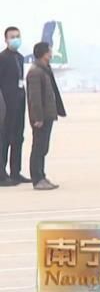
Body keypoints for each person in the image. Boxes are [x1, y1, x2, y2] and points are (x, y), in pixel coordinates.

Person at [26, 42, 66, 191]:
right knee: (38, 147)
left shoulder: (45, 70)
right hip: (40, 118)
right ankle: (37, 179)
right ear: (44, 53)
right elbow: (34, 98)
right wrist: (38, 118)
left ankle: (41, 175)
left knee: (43, 147)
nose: (51, 53)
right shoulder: (36, 72)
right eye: (49, 51)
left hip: (47, 115)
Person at [0, 27, 29, 186]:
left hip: (19, 103)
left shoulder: (19, 57)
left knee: (18, 138)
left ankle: (15, 172)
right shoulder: (2, 58)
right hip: (6, 105)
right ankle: (1, 175)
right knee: (4, 140)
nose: (15, 39)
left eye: (18, 36)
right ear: (6, 39)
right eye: (12, 37)